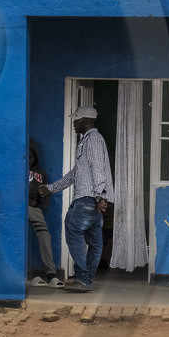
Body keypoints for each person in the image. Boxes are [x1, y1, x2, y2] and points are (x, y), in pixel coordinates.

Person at [44, 106, 112, 293]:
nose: (74, 122)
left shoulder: (94, 140)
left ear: (87, 121)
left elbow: (99, 169)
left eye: (76, 119)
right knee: (95, 242)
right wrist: (52, 188)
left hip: (88, 199)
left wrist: (100, 196)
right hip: (93, 199)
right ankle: (86, 280)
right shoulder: (86, 141)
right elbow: (76, 174)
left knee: (72, 229)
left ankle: (82, 277)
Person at [27, 140, 63, 287]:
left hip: (34, 208)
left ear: (36, 157)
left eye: (31, 156)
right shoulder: (14, 168)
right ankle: (24, 274)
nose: (28, 159)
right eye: (26, 156)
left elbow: (45, 194)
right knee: (18, 235)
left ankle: (51, 274)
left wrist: (39, 204)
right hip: (16, 207)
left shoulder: (40, 173)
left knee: (44, 234)